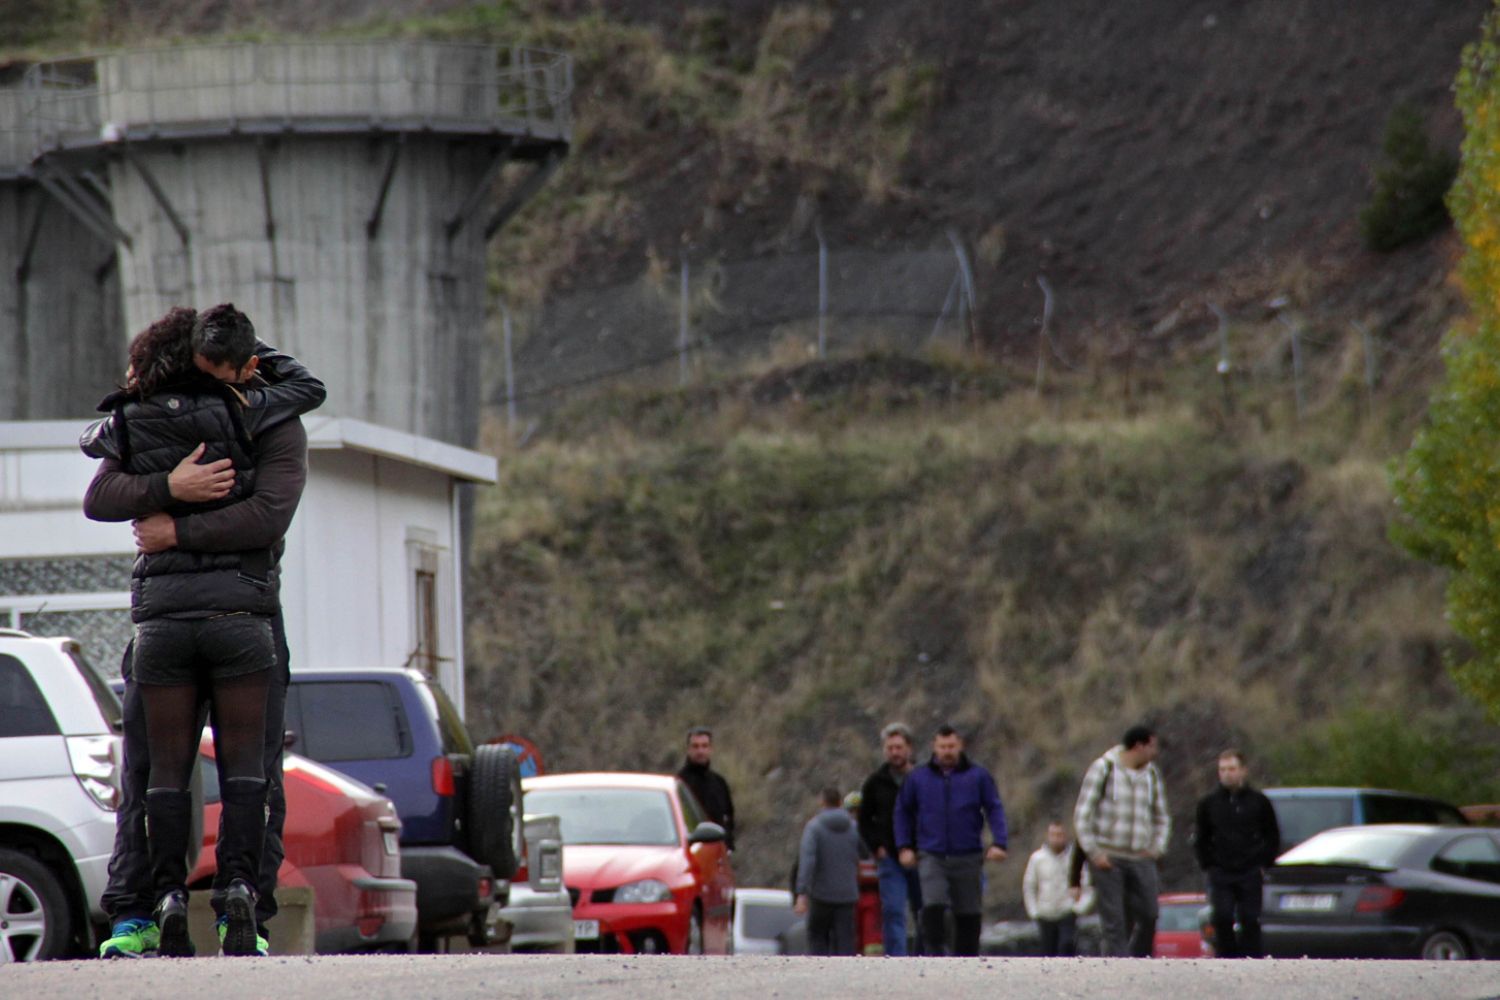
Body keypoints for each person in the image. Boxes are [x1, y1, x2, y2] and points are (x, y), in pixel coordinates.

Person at [80, 304, 324, 957]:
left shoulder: (169, 422)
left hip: (170, 614)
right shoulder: (260, 418)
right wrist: (172, 484)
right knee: (245, 774)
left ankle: (155, 906)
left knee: (156, 773)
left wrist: (171, 524)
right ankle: (229, 905)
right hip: (239, 615)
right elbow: (107, 498)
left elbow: (267, 513)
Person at [894, 724, 1008, 957]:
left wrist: (1000, 842)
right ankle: (935, 954)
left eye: (951, 746)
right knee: (933, 903)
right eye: (942, 747)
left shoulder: (978, 776)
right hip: (931, 854)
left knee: (969, 911)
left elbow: (994, 808)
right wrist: (904, 846)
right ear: (934, 747)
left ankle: (967, 960)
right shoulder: (918, 778)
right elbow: (902, 811)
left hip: (968, 854)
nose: (947, 751)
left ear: (960, 746)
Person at [1074, 724, 1171, 957]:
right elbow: (1082, 815)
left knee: (1150, 913)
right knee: (1114, 920)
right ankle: (1117, 966)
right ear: (1139, 746)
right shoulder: (1103, 768)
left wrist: (1157, 847)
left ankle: (1139, 958)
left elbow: (1162, 815)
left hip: (1141, 855)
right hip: (1109, 856)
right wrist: (1095, 853)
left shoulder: (1151, 774)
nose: (1155, 753)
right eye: (1152, 746)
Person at [1194, 748, 1280, 958]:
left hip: (1250, 870)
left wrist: (1264, 863)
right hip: (1221, 871)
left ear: (1243, 770)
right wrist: (1209, 864)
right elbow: (1201, 837)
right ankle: (1227, 958)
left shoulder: (1259, 802)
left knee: (1250, 918)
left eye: (1231, 769)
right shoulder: (1209, 803)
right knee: (1222, 917)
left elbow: (1272, 835)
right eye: (1222, 769)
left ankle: (1251, 958)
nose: (1226, 774)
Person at [858, 721, 923, 956]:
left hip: (921, 856)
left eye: (899, 747)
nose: (894, 752)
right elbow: (864, 820)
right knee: (894, 911)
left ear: (909, 749)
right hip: (890, 860)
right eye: (890, 748)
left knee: (924, 910)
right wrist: (876, 848)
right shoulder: (875, 783)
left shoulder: (924, 780)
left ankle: (928, 958)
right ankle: (898, 960)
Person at [794, 786, 863, 956]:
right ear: (840, 802)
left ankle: (820, 976)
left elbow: (808, 860)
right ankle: (847, 978)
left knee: (817, 937)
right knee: (845, 940)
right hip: (847, 894)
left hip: (821, 895)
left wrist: (802, 892)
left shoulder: (814, 827)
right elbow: (865, 852)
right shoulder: (854, 827)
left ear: (822, 802)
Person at [1022, 821, 1092, 956]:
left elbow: (1088, 886)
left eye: (1060, 835)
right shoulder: (1037, 859)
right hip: (1045, 913)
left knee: (1067, 948)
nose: (1056, 839)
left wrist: (1079, 908)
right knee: (1047, 954)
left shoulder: (1075, 858)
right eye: (1053, 835)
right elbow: (1029, 886)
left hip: (1067, 912)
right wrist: (1034, 911)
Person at [677, 726, 735, 850]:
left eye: (704, 746)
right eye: (696, 746)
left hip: (718, 854)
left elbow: (729, 818)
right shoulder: (679, 784)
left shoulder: (719, 783)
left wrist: (728, 846)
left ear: (711, 749)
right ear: (688, 749)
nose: (700, 751)